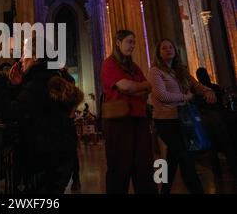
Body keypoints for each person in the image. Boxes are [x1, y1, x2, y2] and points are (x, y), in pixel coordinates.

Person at [0, 37, 84, 193]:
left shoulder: (39, 80)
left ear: (36, 56)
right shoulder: (48, 75)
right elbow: (33, 109)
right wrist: (17, 86)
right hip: (57, 160)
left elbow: (10, 113)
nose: (22, 59)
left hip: (45, 162)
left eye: (25, 53)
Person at [148, 39, 216, 194]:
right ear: (158, 53)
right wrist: (186, 97)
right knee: (185, 158)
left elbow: (195, 86)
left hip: (183, 119)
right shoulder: (155, 71)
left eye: (170, 47)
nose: (168, 50)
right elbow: (161, 95)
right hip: (165, 121)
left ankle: (164, 190)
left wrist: (207, 91)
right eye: (163, 48)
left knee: (172, 159)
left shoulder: (181, 70)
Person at [101, 30, 157, 194]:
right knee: (119, 169)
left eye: (134, 42)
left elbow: (147, 88)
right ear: (118, 42)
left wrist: (134, 88)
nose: (132, 45)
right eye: (129, 41)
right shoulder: (109, 63)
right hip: (118, 122)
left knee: (144, 167)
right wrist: (136, 87)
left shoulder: (135, 67)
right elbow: (126, 86)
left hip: (139, 119)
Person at [195, 68, 237, 178]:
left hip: (205, 119)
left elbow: (196, 105)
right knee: (226, 143)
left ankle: (217, 172)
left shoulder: (198, 91)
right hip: (219, 117)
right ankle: (233, 167)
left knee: (211, 147)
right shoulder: (215, 87)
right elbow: (222, 102)